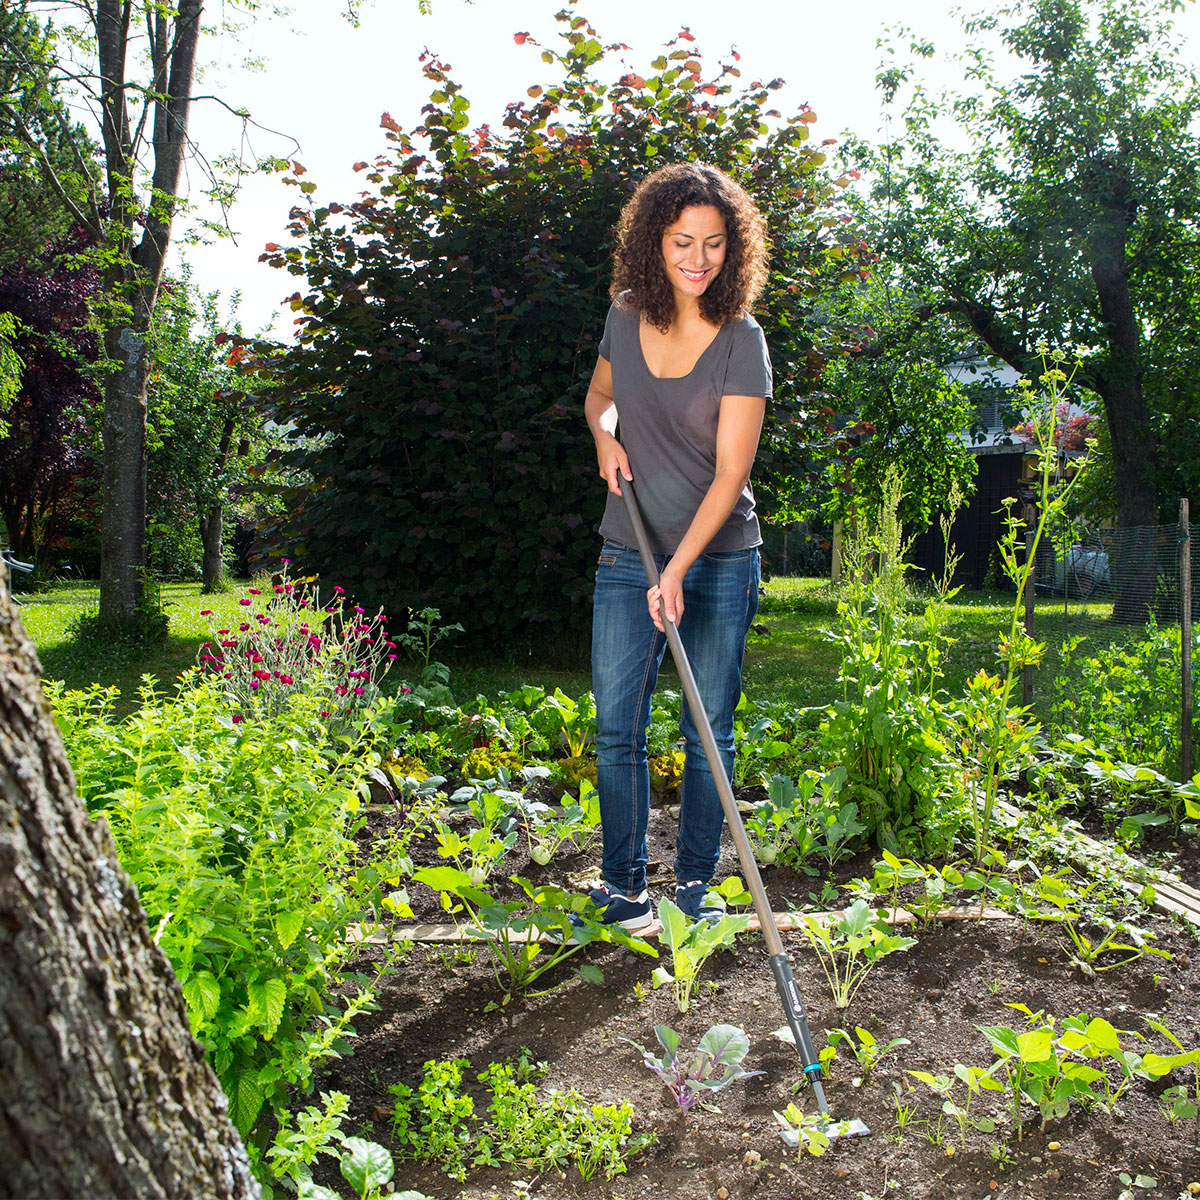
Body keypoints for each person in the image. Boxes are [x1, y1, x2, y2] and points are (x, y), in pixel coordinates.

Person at [583, 161, 772, 930]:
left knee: (707, 726)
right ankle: (622, 884)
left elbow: (730, 475)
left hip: (719, 559)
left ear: (736, 251)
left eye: (716, 245)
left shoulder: (740, 339)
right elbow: (600, 396)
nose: (698, 259)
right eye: (682, 241)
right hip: (628, 551)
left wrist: (682, 569)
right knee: (616, 726)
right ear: (653, 243)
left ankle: (693, 882)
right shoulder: (625, 316)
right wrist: (603, 440)